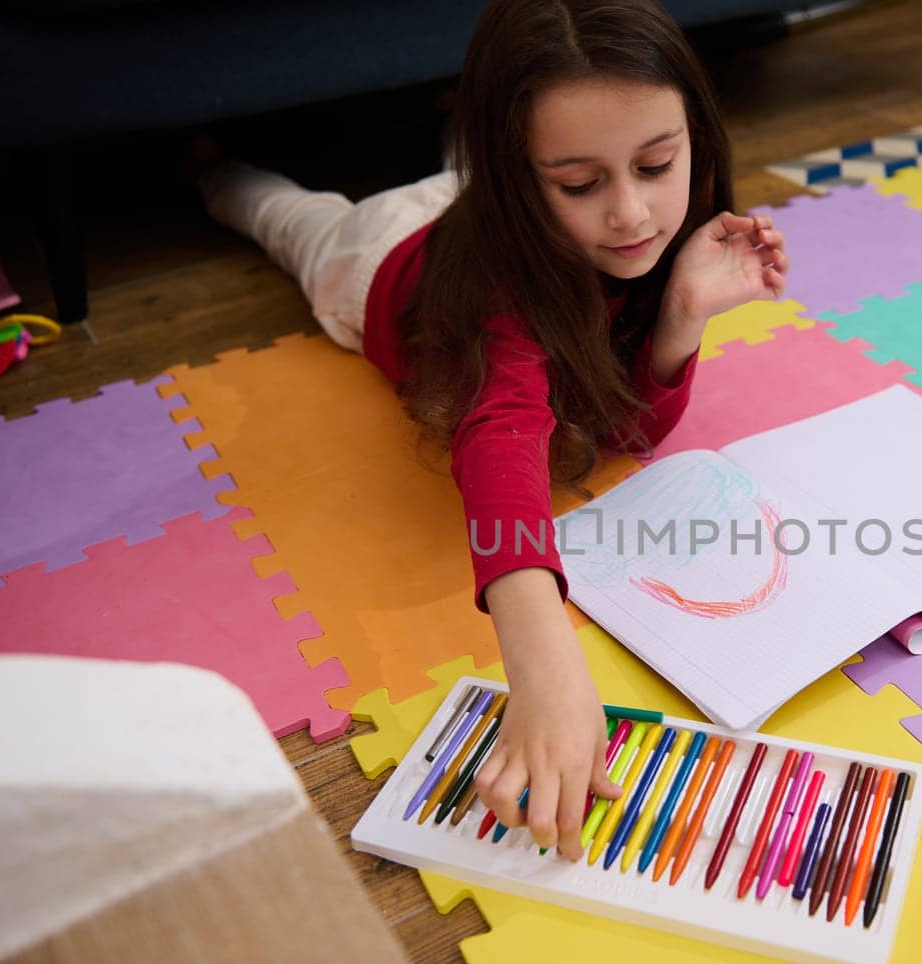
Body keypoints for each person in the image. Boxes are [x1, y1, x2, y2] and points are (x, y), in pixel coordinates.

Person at [197, 0, 789, 861]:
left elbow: (630, 426)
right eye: (583, 184)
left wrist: (684, 313)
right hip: (378, 260)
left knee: (471, 169)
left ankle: (467, 145)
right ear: (530, 184)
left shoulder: (643, 229)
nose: (631, 215)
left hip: (484, 202)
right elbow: (501, 431)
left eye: (657, 164)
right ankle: (215, 176)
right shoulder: (497, 298)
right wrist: (541, 657)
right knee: (293, 219)